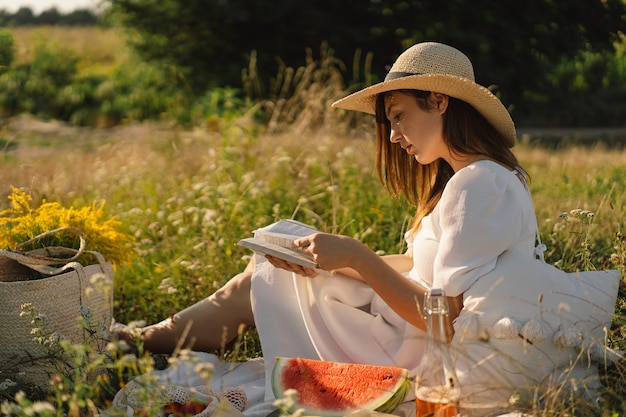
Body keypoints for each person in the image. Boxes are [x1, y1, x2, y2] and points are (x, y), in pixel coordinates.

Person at [111, 42, 580, 416]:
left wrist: (358, 257)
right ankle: (139, 339)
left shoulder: (479, 184)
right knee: (278, 265)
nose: (394, 136)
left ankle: (133, 340)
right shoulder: (479, 179)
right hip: (407, 330)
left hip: (420, 353)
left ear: (439, 101)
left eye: (399, 117)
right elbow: (422, 267)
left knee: (262, 280)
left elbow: (446, 317)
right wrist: (329, 260)